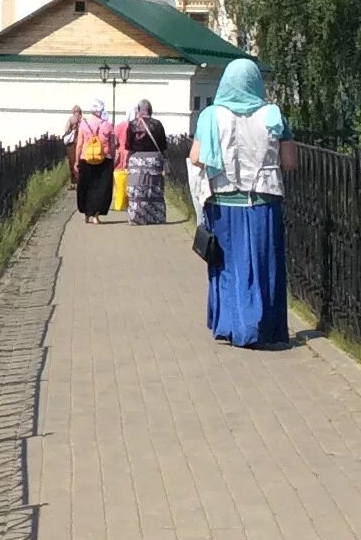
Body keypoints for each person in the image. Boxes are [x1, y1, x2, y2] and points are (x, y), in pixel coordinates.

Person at [189, 59, 292, 346]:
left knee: (227, 265)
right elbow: (290, 161)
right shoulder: (273, 115)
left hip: (223, 202)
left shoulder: (210, 116)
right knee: (262, 264)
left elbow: (196, 157)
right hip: (263, 201)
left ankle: (231, 326)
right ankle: (262, 326)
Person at [120, 98, 169, 225]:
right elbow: (163, 145)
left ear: (138, 110)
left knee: (137, 190)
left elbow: (128, 145)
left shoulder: (132, 124)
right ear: (150, 110)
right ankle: (156, 217)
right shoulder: (158, 124)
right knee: (155, 188)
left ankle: (136, 217)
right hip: (154, 161)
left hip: (137, 161)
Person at [73, 100, 116, 223]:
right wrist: (112, 158)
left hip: (86, 159)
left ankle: (87, 213)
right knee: (101, 188)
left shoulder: (84, 124)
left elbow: (79, 144)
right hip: (104, 159)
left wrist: (76, 161)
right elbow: (112, 144)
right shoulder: (107, 125)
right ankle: (96, 216)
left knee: (86, 186)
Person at [62, 105, 83, 190]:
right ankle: (80, 181)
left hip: (73, 144)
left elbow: (66, 130)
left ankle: (74, 182)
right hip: (81, 144)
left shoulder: (71, 119)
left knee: (72, 163)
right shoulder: (83, 120)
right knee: (79, 163)